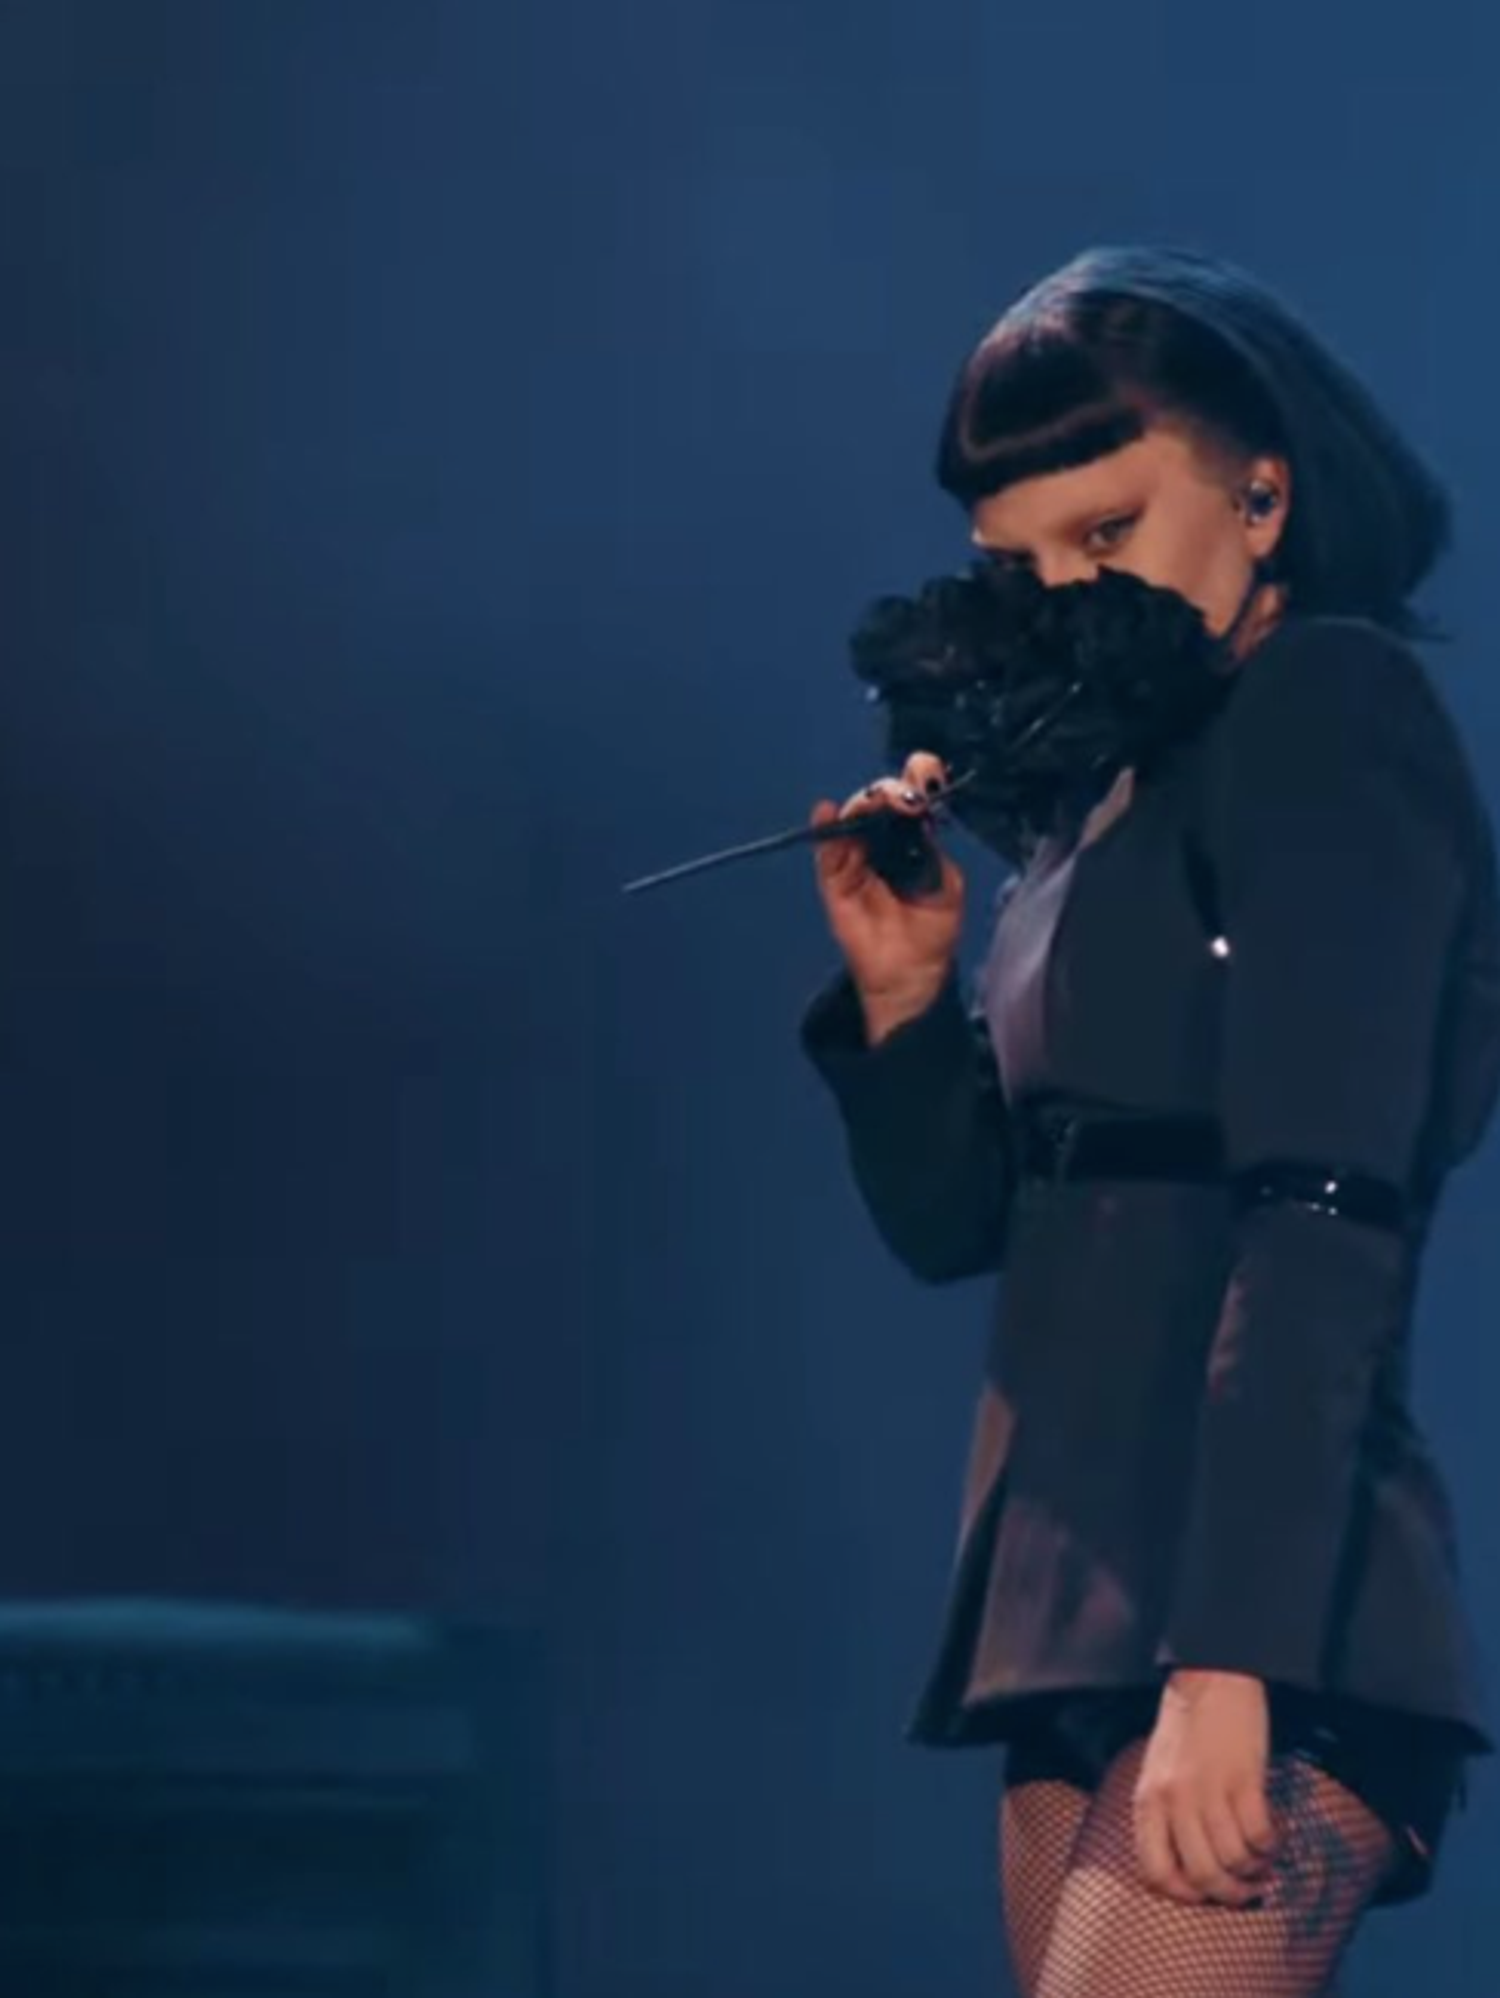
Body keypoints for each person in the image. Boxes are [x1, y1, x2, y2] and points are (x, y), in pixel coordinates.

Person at [799, 245, 1500, 1997]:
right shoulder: (1088, 803)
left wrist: (1231, 1656)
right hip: (1067, 1596)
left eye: (1108, 534)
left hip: (1264, 1603)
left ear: (1262, 489)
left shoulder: (1331, 706)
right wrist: (905, 998)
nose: (1065, 595)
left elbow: (1327, 1205)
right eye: (1023, 564)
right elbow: (972, 1226)